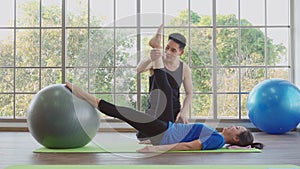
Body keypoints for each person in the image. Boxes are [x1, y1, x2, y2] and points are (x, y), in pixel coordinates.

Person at [65, 50, 263, 153]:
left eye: (237, 128)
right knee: (166, 91)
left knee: (123, 112)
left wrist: (156, 149)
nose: (233, 126)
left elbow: (188, 146)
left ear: (235, 138)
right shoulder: (218, 139)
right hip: (166, 127)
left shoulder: (218, 140)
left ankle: (82, 94)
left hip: (163, 132)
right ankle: (154, 68)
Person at [136, 25, 193, 141]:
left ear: (181, 52)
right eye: (167, 48)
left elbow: (189, 93)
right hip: (155, 110)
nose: (168, 52)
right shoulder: (157, 61)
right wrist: (151, 58)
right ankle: (155, 45)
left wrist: (183, 112)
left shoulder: (184, 68)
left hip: (173, 111)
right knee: (142, 136)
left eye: (173, 50)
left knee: (175, 135)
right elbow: (139, 69)